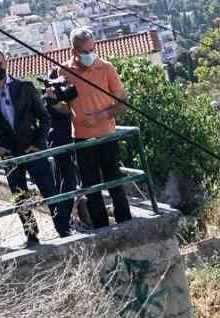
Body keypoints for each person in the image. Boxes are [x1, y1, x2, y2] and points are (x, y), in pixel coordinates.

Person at [0, 48, 58, 243]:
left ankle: (63, 227)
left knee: (49, 190)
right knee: (19, 196)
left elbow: (45, 118)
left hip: (32, 149)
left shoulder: (25, 87)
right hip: (9, 155)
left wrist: (39, 144)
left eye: (1, 64)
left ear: (6, 62)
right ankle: (31, 235)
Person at [68, 28, 130, 229]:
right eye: (84, 52)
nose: (90, 55)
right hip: (81, 139)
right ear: (74, 51)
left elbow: (123, 103)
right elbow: (62, 108)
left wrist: (100, 116)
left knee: (115, 183)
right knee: (91, 188)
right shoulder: (64, 72)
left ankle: (126, 223)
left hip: (106, 136)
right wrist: (53, 100)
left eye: (92, 49)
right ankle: (102, 228)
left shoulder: (107, 68)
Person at [42, 75, 89, 234]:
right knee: (67, 181)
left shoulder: (56, 96)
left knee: (67, 180)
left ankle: (68, 217)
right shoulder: (50, 99)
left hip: (66, 141)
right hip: (61, 143)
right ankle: (66, 218)